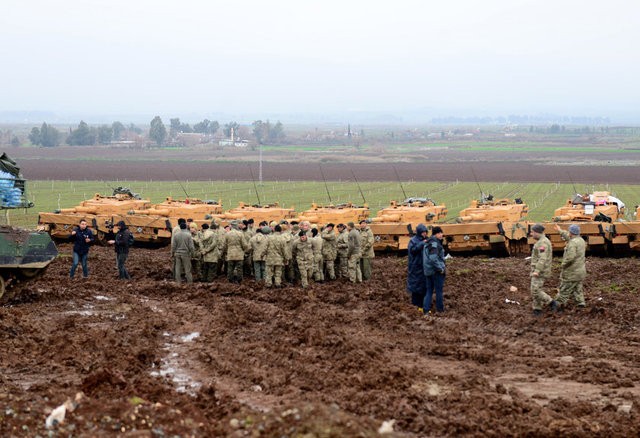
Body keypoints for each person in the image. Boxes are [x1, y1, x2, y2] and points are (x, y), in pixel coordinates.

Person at [554, 224, 587, 309]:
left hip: (571, 272)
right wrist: (560, 230)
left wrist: (563, 264)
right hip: (580, 272)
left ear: (571, 233)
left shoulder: (572, 243)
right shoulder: (581, 240)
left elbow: (570, 257)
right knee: (577, 289)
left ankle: (557, 305)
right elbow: (569, 237)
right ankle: (581, 303)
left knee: (564, 290)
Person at [529, 224, 559, 316]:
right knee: (536, 289)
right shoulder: (541, 241)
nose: (531, 234)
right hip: (538, 269)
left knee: (535, 290)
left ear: (537, 232)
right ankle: (537, 309)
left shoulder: (542, 243)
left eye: (533, 232)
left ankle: (551, 302)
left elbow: (542, 258)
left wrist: (537, 270)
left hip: (540, 270)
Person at [423, 226, 446, 314]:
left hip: (428, 270)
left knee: (429, 291)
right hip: (435, 271)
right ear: (435, 234)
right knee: (438, 291)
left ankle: (426, 309)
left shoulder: (427, 242)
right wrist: (440, 268)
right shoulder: (434, 244)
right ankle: (440, 310)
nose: (441, 235)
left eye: (441, 233)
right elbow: (433, 258)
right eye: (439, 233)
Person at [407, 223, 428, 309]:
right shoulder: (413, 240)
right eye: (423, 232)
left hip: (424, 267)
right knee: (416, 287)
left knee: (424, 287)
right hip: (415, 267)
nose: (424, 234)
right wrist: (422, 244)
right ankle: (415, 306)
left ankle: (423, 306)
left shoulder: (427, 239)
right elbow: (412, 250)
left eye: (425, 232)